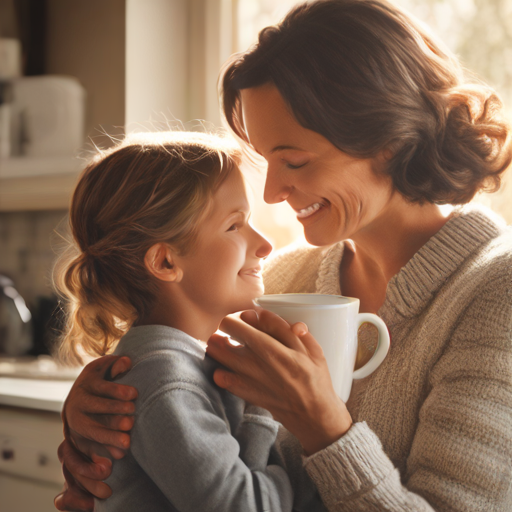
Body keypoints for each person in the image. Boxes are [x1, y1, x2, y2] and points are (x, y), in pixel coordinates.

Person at [55, 1, 512, 511]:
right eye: (266, 159)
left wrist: (324, 428)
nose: (271, 192)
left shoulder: (496, 293)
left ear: (387, 140)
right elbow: (178, 392)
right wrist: (98, 414)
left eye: (293, 160)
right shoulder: (279, 279)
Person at [53, 130, 327, 512]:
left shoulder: (177, 365)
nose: (264, 244)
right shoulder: (164, 380)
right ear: (166, 262)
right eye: (235, 225)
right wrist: (268, 409)